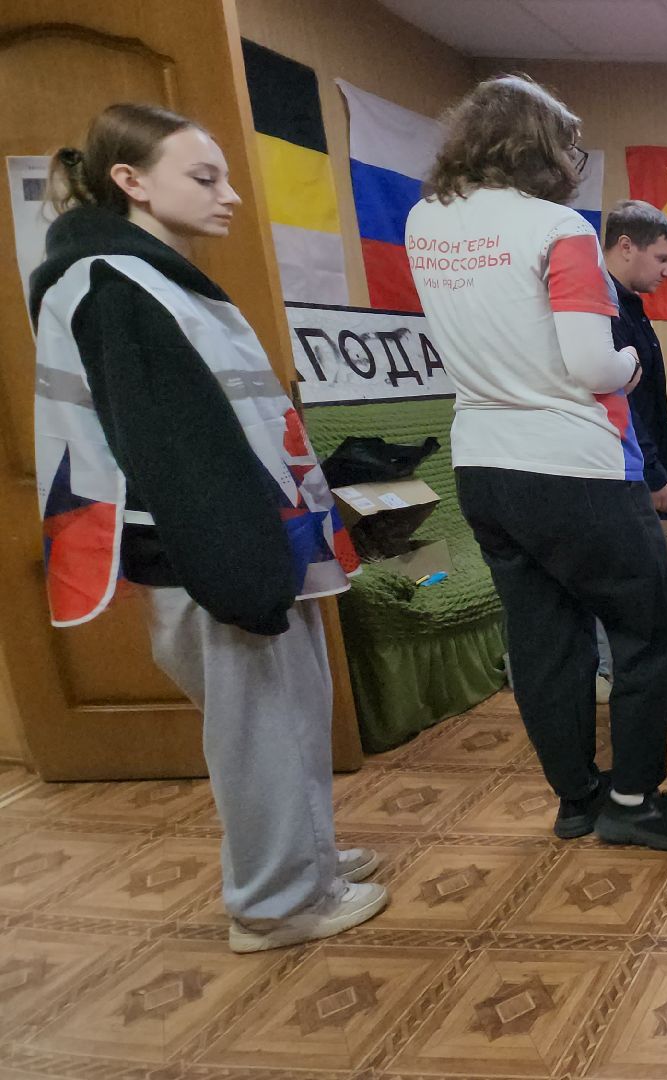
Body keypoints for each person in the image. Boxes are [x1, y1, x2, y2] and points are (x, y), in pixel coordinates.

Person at [29, 103, 386, 951]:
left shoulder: (150, 275)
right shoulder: (115, 284)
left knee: (291, 713)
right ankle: (276, 904)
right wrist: (241, 575)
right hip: (212, 547)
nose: (229, 195)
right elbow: (175, 449)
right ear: (131, 181)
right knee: (258, 731)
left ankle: (305, 859)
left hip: (253, 534)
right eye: (204, 177)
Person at [406, 75, 667, 851]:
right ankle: (634, 800)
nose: (576, 162)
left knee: (545, 638)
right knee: (650, 624)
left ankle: (577, 799)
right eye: (570, 146)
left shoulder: (425, 221)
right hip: (571, 465)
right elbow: (590, 365)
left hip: (482, 464)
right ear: (539, 147)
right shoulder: (557, 227)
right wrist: (629, 366)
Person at [598, 199, 667, 735]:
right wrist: (655, 473)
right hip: (624, 473)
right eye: (662, 259)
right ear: (625, 246)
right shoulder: (606, 311)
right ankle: (645, 711)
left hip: (634, 466)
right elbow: (623, 406)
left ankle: (629, 695)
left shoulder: (629, 305)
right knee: (648, 598)